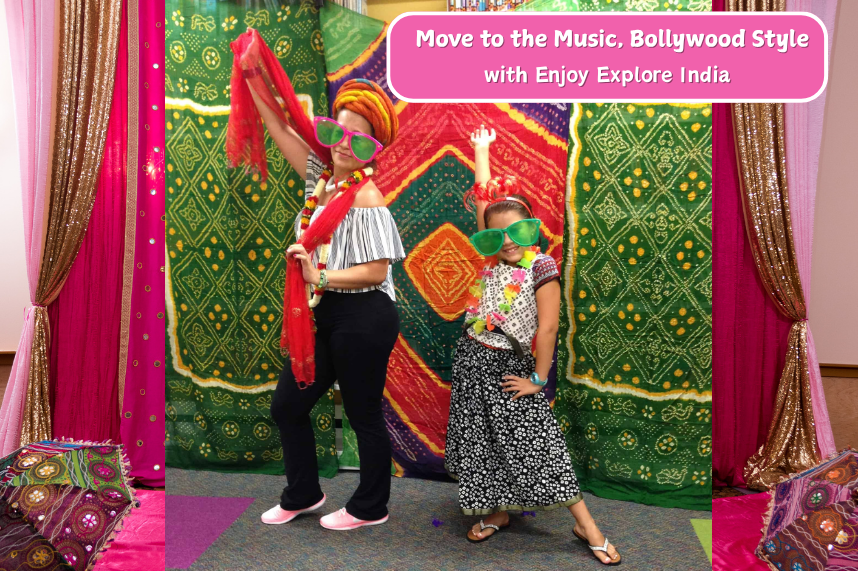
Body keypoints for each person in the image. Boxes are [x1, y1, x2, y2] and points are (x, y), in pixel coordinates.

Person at [444, 126, 622, 565]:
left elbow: (548, 330)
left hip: (511, 369)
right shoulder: (491, 256)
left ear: (531, 230)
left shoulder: (541, 266)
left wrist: (538, 380)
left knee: (540, 446)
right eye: (497, 234)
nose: (506, 241)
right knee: (483, 442)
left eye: (516, 231)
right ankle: (498, 512)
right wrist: (481, 151)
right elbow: (483, 204)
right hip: (473, 358)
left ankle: (586, 525)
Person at [241, 70, 404, 530]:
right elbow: (280, 127)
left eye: (360, 139)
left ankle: (371, 507)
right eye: (338, 131)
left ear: (374, 150)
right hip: (326, 314)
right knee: (288, 406)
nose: (345, 145)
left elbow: (377, 271)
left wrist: (320, 276)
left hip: (365, 315)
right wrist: (251, 75)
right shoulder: (322, 177)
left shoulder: (367, 195)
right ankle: (304, 493)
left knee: (362, 413)